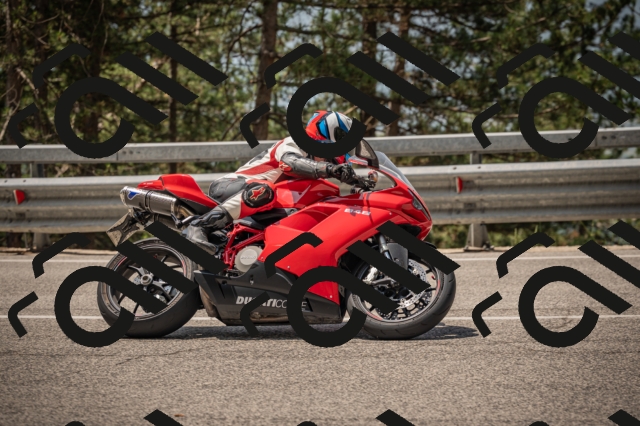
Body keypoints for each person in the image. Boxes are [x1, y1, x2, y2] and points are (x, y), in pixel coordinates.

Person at [185, 110, 360, 251]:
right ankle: (199, 226)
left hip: (257, 203)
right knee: (264, 190)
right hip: (230, 186)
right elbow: (291, 163)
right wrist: (330, 169)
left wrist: (359, 182)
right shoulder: (295, 143)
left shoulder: (315, 168)